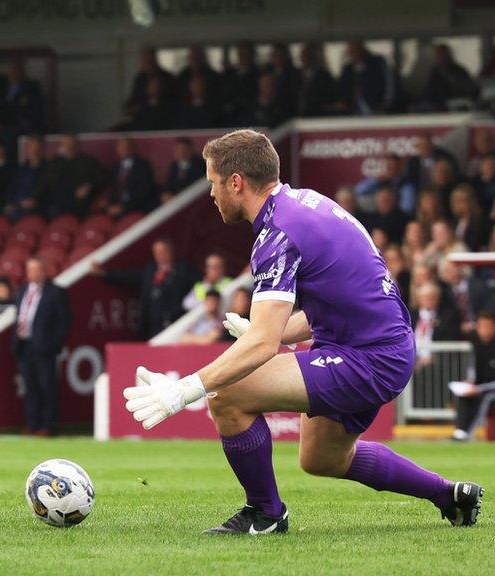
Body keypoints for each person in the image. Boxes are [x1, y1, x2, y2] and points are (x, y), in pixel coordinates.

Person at [124, 129, 481, 535]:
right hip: (376, 345)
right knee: (322, 459)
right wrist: (273, 331)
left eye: (212, 182)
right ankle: (450, 496)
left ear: (236, 182)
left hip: (368, 356)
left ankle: (265, 514)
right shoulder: (305, 204)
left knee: (227, 395)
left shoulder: (277, 233)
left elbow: (260, 345)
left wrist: (182, 391)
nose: (211, 193)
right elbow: (331, 301)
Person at [12, 258, 71, 436]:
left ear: (43, 271)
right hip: (24, 345)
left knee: (47, 387)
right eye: (30, 269)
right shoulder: (22, 290)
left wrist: (53, 344)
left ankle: (48, 425)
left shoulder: (55, 292)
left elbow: (64, 320)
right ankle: (31, 423)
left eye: (37, 269)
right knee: (30, 387)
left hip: (45, 348)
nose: (33, 273)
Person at [451, 311, 495, 441]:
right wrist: (471, 382)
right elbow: (473, 368)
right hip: (480, 386)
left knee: (484, 397)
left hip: (490, 389)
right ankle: (460, 431)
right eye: (481, 326)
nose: (483, 330)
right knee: (464, 396)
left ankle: (468, 433)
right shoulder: (476, 344)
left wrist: (478, 389)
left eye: (487, 326)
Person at [104, 137, 155, 218]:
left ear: (133, 148)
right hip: (117, 209)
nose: (124, 149)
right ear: (117, 149)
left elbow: (144, 192)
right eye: (121, 147)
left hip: (136, 208)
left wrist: (124, 207)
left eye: (127, 146)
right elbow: (113, 190)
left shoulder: (143, 165)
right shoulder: (115, 167)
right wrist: (110, 205)